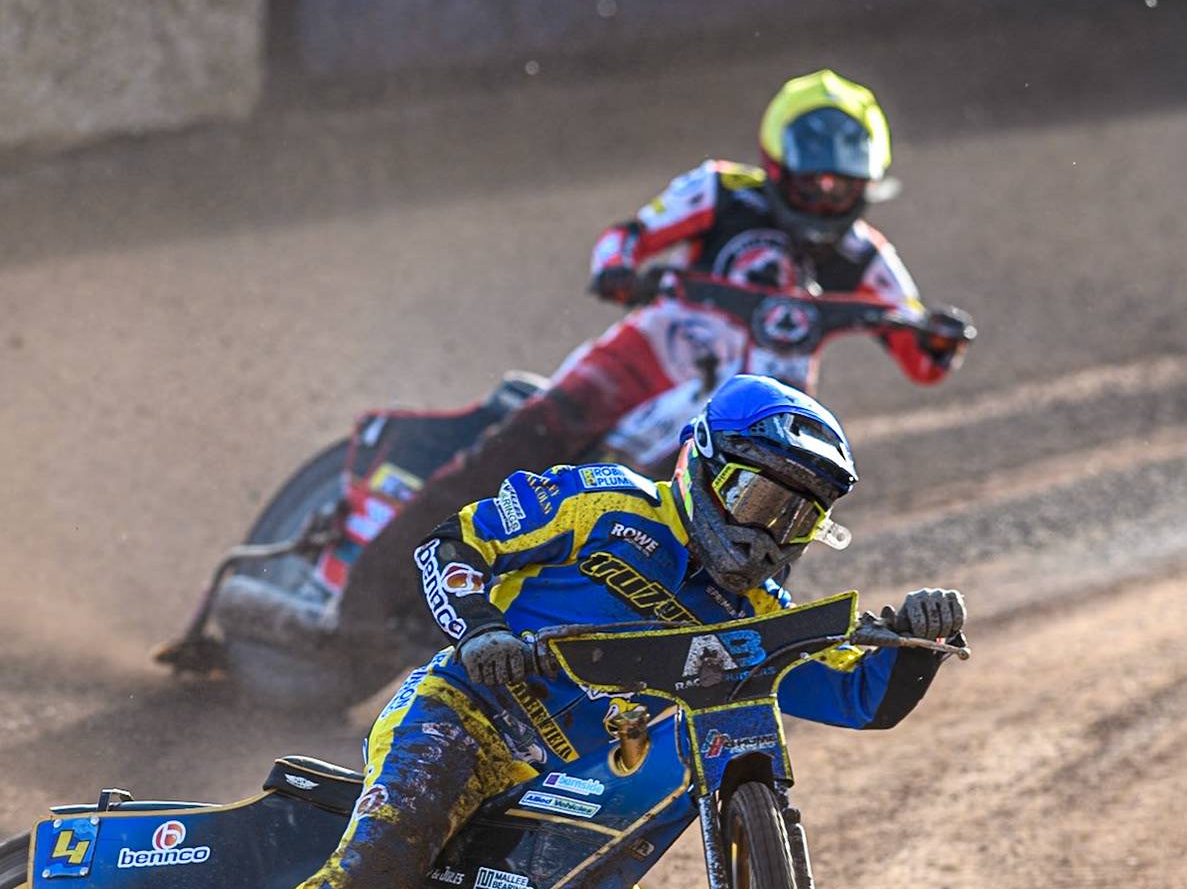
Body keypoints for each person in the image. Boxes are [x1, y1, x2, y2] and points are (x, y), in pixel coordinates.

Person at [144, 374, 967, 889]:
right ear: (701, 465)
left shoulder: (755, 613)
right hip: (460, 719)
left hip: (559, 795)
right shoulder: (600, 504)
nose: (769, 534)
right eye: (758, 500)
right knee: (379, 870)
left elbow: (861, 695)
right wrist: (480, 631)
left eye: (799, 516)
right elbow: (451, 547)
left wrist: (919, 644)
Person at [336, 68, 971, 645]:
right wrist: (620, 271)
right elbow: (622, 241)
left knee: (748, 524)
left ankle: (708, 664)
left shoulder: (866, 255)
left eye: (843, 187)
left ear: (868, 185)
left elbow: (920, 356)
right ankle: (364, 599)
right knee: (521, 447)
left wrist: (941, 340)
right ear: (777, 165)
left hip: (747, 415)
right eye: (814, 183)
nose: (826, 198)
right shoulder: (721, 190)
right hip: (647, 355)